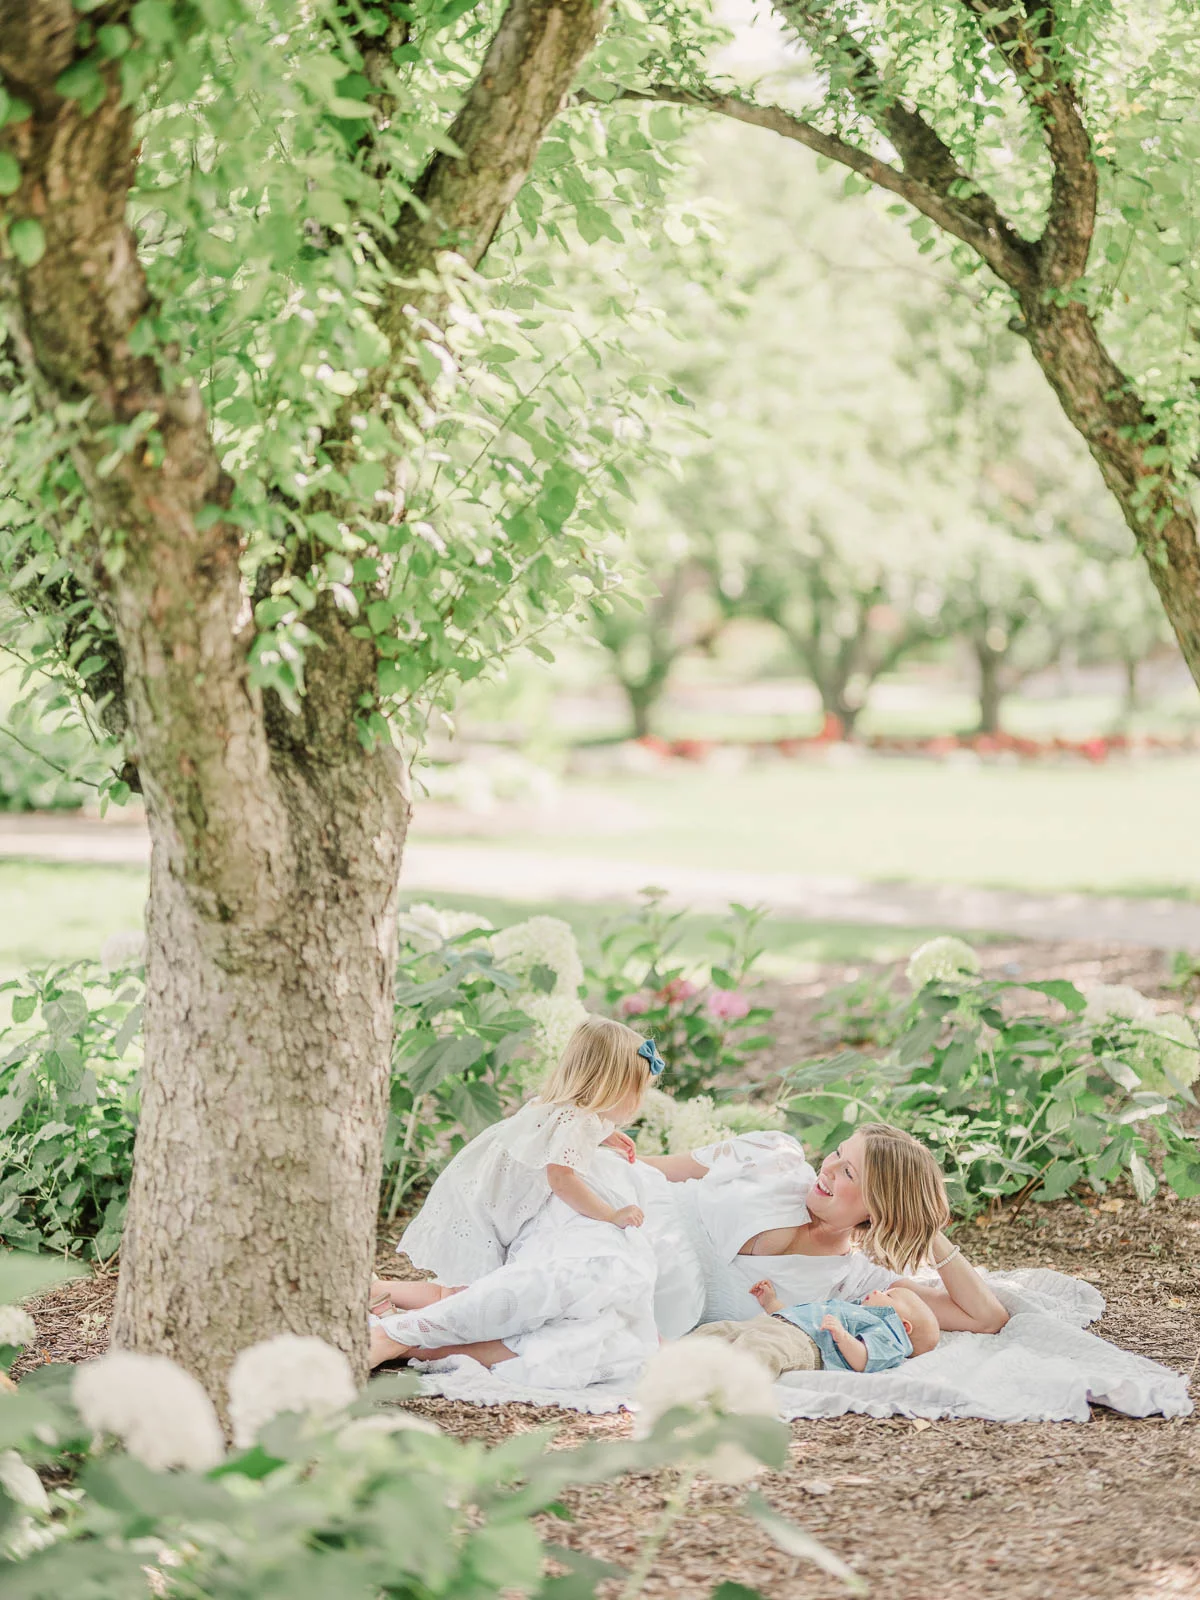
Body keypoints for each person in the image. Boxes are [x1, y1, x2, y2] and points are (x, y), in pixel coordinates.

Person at [367, 1123, 1008, 1382]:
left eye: (849, 1176)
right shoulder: (773, 1155)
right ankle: (394, 1332)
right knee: (599, 1277)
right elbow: (651, 1169)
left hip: (654, 1303)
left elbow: (983, 1317)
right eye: (836, 1156)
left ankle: (386, 1316)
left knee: (597, 1339)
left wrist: (930, 1234)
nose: (828, 1171)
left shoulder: (852, 1280)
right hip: (625, 1223)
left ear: (879, 1208)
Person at [395, 1016, 663, 1284]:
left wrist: (607, 1134)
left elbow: (568, 1132)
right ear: (609, 1086)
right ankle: (384, 1295)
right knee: (463, 1296)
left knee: (455, 1293)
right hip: (483, 1213)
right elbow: (562, 1181)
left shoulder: (566, 1109)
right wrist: (611, 1214)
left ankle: (382, 1292)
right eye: (637, 1092)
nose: (639, 1103)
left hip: (474, 1192)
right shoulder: (573, 1123)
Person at [683, 1278, 940, 1379]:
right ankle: (677, 1355)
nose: (876, 1292)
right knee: (720, 1330)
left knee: (762, 1351)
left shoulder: (889, 1336)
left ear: (903, 1325)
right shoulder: (854, 1310)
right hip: (779, 1323)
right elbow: (800, 1315)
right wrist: (772, 1303)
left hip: (807, 1344)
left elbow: (864, 1359)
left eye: (888, 1295)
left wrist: (842, 1337)